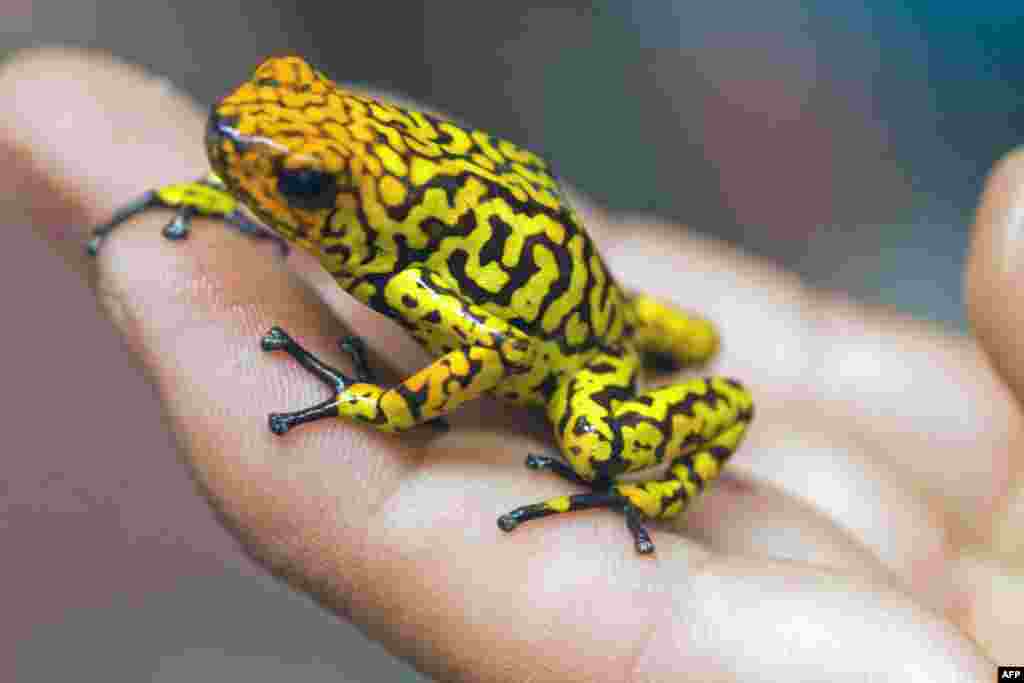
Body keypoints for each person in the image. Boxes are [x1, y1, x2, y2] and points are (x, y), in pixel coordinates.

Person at [4, 48, 1015, 680]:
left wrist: (386, 404)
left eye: (302, 182)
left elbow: (492, 346)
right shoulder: (371, 225)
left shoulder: (400, 265)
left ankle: (672, 458)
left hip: (584, 350)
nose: (243, 144)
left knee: (596, 433)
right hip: (588, 285)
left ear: (348, 202)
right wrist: (259, 203)